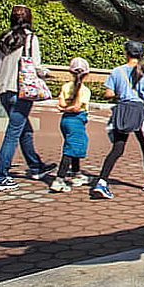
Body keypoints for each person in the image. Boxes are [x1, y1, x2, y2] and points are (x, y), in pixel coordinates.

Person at [0, 5, 56, 191]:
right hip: (21, 92)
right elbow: (34, 66)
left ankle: (36, 166)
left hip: (4, 90)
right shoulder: (30, 38)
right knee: (13, 134)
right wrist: (46, 73)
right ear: (29, 18)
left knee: (24, 129)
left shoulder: (4, 38)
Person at [92, 41, 144, 198]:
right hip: (139, 113)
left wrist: (121, 94)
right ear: (141, 55)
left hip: (122, 111)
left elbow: (108, 94)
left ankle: (102, 181)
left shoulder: (117, 72)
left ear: (127, 54)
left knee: (117, 148)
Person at [50, 57, 93, 193]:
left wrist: (64, 109)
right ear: (86, 74)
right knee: (70, 149)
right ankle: (59, 179)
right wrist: (68, 109)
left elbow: (61, 104)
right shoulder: (84, 90)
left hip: (65, 121)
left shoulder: (66, 87)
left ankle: (76, 173)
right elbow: (76, 107)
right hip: (76, 120)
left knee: (74, 145)